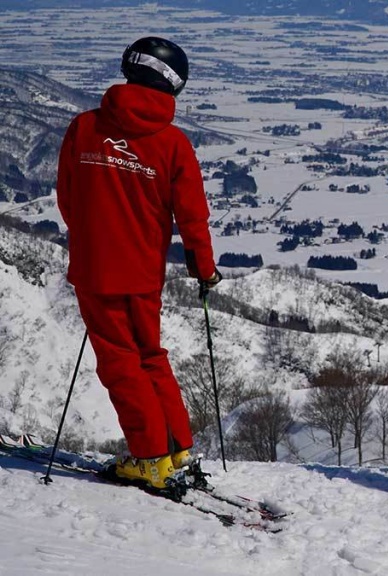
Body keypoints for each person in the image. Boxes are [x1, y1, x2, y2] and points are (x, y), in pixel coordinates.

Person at [56, 37, 220, 490]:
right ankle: (177, 448)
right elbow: (192, 218)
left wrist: (91, 239)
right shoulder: (172, 144)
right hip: (145, 274)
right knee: (149, 356)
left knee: (118, 363)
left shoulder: (84, 128)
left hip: (94, 269)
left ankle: (149, 458)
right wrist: (204, 270)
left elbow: (68, 199)